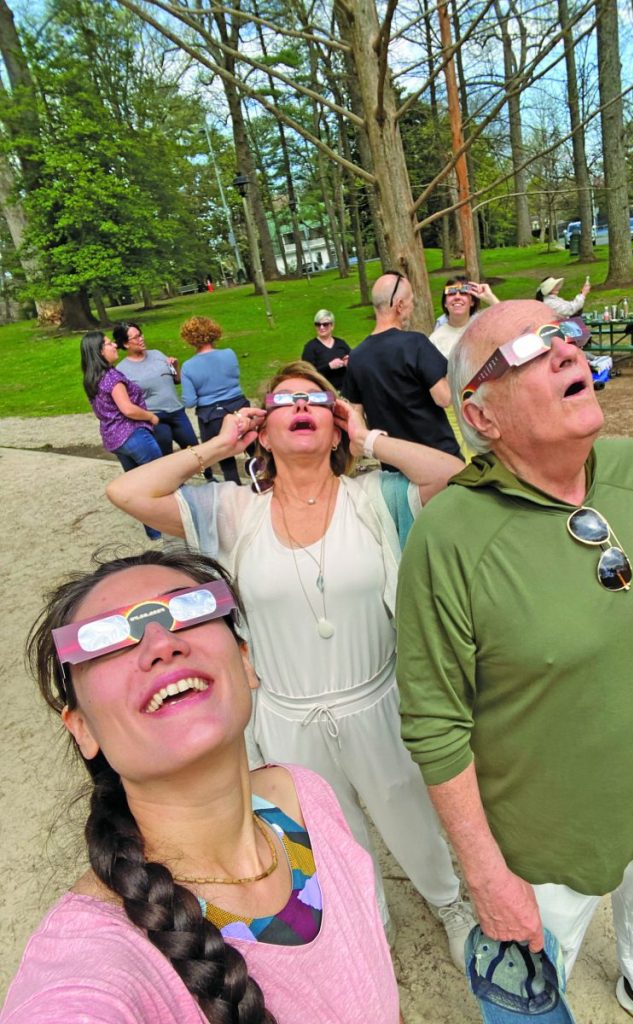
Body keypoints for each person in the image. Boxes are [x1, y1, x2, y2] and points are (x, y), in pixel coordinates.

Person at [395, 299, 633, 1024]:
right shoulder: (450, 535)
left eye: (565, 332)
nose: (566, 348)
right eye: (530, 348)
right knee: (540, 967)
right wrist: (487, 876)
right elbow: (435, 722)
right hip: (542, 832)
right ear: (481, 415)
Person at [106, 361, 476, 970]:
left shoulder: (375, 499)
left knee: (409, 814)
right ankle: (371, 921)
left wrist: (371, 438)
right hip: (285, 714)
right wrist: (216, 447)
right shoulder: (234, 512)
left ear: (335, 429)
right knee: (328, 836)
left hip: (378, 702)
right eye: (284, 400)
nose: (301, 406)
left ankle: (449, 903)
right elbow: (127, 493)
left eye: (316, 400)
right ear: (263, 431)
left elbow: (456, 474)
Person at [1, 549, 399, 1024]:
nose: (161, 643)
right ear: (82, 728)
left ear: (245, 662)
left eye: (189, 609)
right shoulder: (94, 964)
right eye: (105, 638)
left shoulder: (303, 796)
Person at [343, 271, 461, 462]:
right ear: (399, 305)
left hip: (393, 466)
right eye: (411, 302)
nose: (412, 308)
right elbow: (444, 398)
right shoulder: (416, 343)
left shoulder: (356, 357)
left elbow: (356, 415)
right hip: (439, 460)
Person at [80, 330, 163, 540]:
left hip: (115, 439)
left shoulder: (91, 379)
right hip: (133, 434)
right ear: (99, 352)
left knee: (137, 485)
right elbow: (128, 409)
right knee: (161, 480)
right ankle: (176, 523)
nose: (115, 345)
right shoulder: (112, 377)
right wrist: (150, 417)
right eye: (109, 344)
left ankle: (154, 531)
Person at [114, 321, 209, 477]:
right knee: (165, 456)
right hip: (155, 417)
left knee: (194, 450)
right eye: (136, 337)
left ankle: (209, 477)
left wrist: (175, 366)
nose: (141, 339)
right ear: (125, 344)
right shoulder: (122, 370)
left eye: (140, 334)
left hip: (177, 412)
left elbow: (176, 379)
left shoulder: (157, 354)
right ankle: (175, 485)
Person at [180, 316, 252, 485]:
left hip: (212, 416)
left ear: (189, 338)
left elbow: (190, 402)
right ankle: (264, 479)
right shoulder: (229, 354)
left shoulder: (188, 367)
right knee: (253, 447)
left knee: (225, 458)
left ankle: (234, 490)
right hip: (239, 407)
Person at [430, 276, 499, 358]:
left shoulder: (484, 326)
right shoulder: (434, 340)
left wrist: (491, 298)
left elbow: (510, 328)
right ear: (445, 303)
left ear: (472, 302)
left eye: (463, 293)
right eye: (452, 293)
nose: (457, 297)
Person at [301, 309, 351, 391]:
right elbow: (307, 373)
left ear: (332, 326)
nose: (321, 327)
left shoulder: (341, 343)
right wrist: (329, 366)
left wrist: (347, 362)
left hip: (345, 389)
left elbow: (353, 362)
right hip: (323, 391)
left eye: (325, 324)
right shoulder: (310, 347)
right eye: (318, 324)